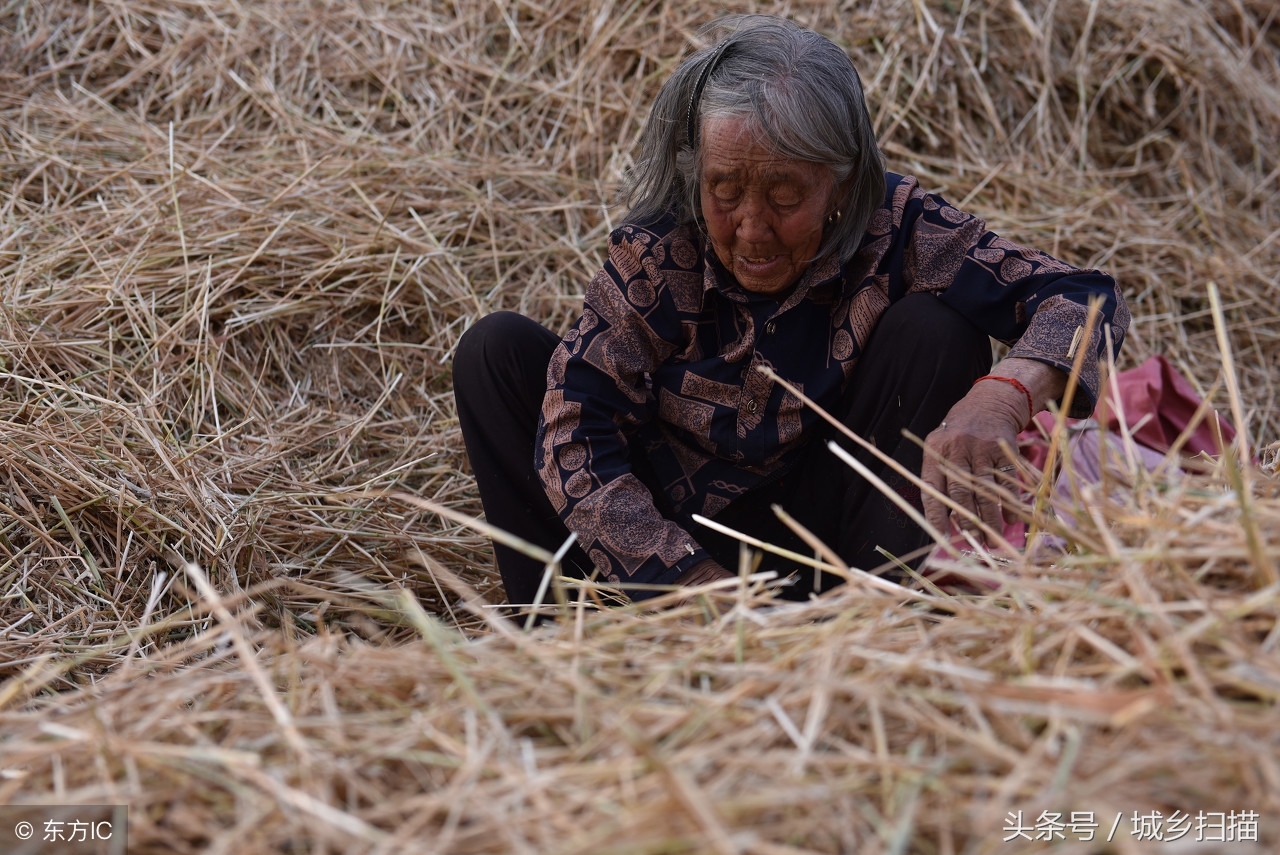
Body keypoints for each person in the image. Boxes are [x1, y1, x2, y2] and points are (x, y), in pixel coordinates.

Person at [453, 14, 1129, 608]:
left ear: (839, 182)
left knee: (937, 331)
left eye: (784, 195)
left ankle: (886, 623)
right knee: (497, 354)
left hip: (831, 544)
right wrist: (689, 586)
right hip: (665, 559)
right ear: (697, 174)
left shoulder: (894, 225)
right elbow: (576, 427)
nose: (752, 227)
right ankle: (555, 647)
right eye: (726, 189)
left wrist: (1007, 394)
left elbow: (1087, 300)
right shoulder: (659, 253)